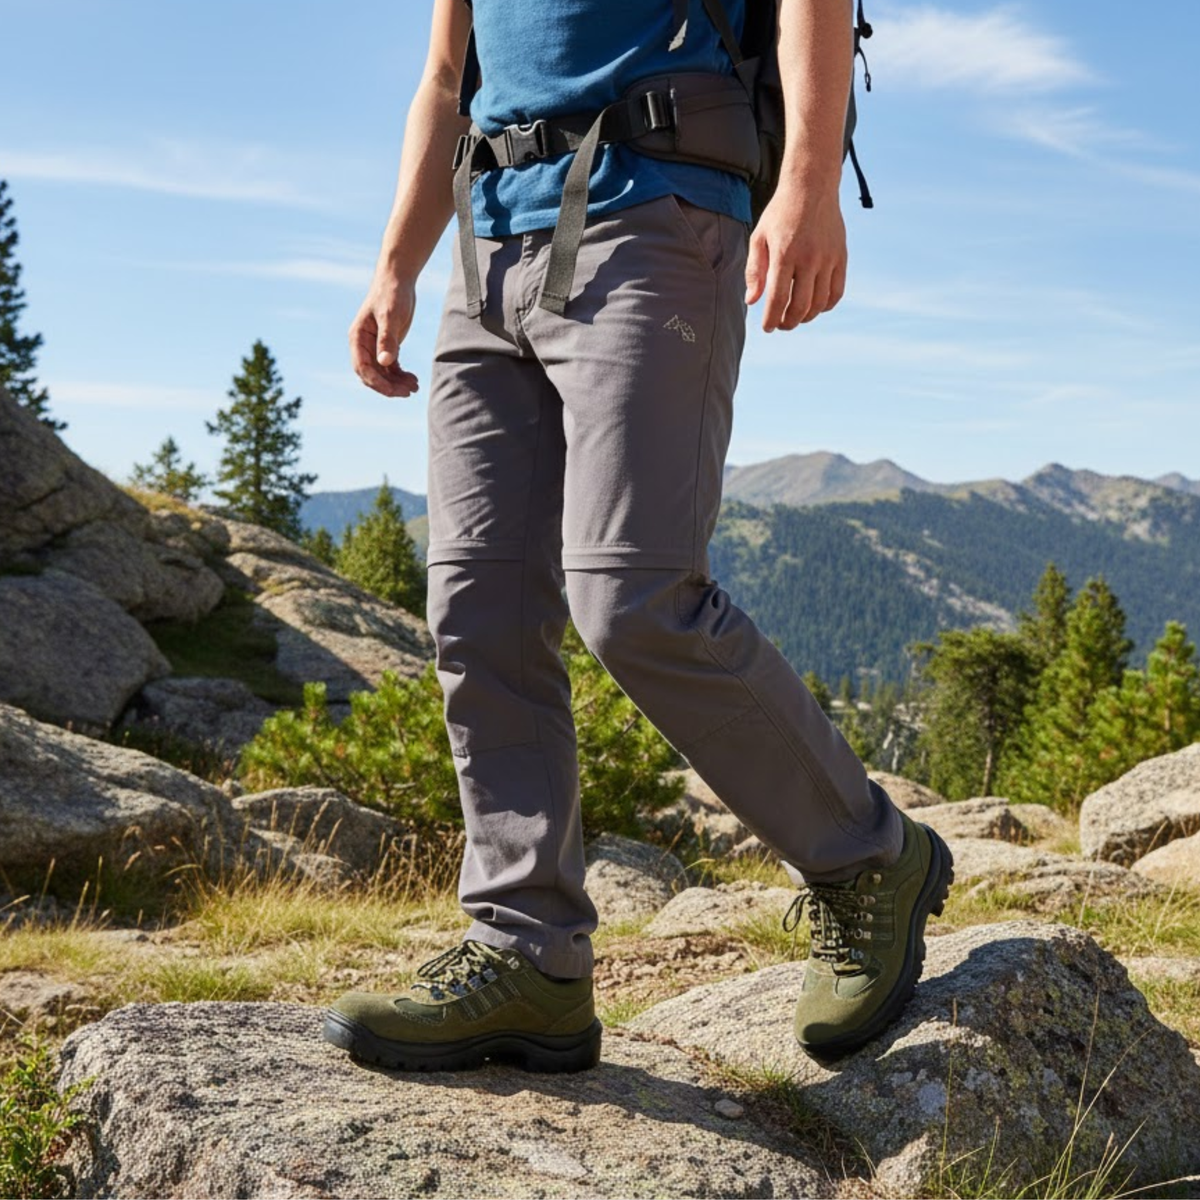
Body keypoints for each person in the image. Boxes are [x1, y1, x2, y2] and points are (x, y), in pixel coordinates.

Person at [322, 0, 954, 1073]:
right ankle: (526, 953)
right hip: (488, 244)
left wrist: (808, 184)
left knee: (633, 594)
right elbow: (444, 78)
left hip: (653, 209)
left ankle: (868, 859)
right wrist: (396, 264)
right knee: (476, 607)